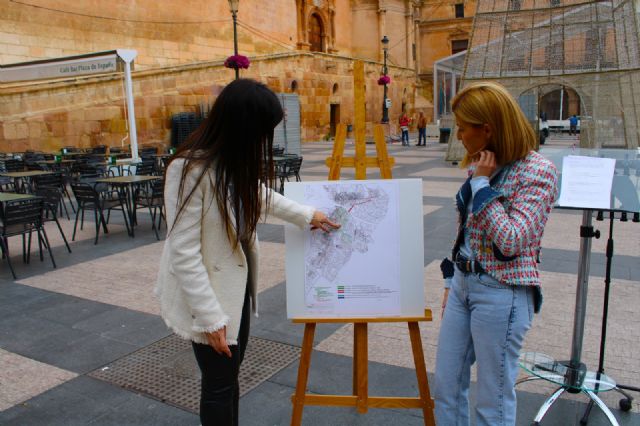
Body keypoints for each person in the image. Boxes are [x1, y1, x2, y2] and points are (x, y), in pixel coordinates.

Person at [155, 79, 340, 426]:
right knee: (219, 385)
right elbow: (183, 252)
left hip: (234, 289)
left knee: (228, 378)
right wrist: (210, 318)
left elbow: (257, 194)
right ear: (242, 127)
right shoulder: (188, 168)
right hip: (207, 295)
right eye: (261, 131)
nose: (263, 141)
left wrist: (306, 216)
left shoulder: (228, 161)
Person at [433, 82, 558, 426]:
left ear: (486, 129)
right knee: (446, 385)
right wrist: (450, 281)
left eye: (462, 127)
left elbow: (512, 240)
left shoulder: (537, 171)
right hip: (463, 286)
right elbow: (466, 230)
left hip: (502, 292)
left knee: (493, 398)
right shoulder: (481, 164)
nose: (457, 135)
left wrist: (482, 185)